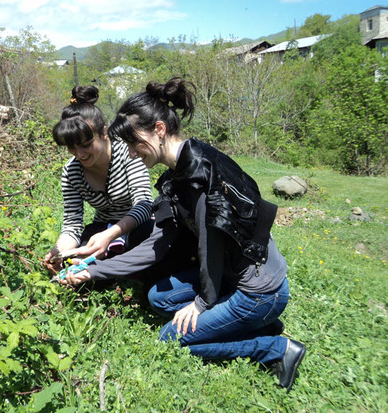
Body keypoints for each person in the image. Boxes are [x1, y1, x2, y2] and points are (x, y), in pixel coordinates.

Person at [60, 78, 306, 392]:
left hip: (259, 292)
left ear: (158, 130)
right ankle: (256, 325)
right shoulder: (178, 176)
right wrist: (90, 270)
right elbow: (154, 247)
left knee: (170, 340)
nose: (133, 154)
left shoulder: (202, 176)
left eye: (135, 143)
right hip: (229, 277)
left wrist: (203, 304)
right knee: (158, 298)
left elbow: (211, 250)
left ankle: (276, 349)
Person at [44, 85, 154, 273]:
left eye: (86, 145)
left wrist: (111, 235)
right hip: (102, 229)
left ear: (104, 133)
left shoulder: (128, 153)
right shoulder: (71, 172)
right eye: (71, 147)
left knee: (145, 236)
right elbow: (72, 223)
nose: (79, 154)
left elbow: (144, 205)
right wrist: (60, 252)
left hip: (136, 227)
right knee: (75, 269)